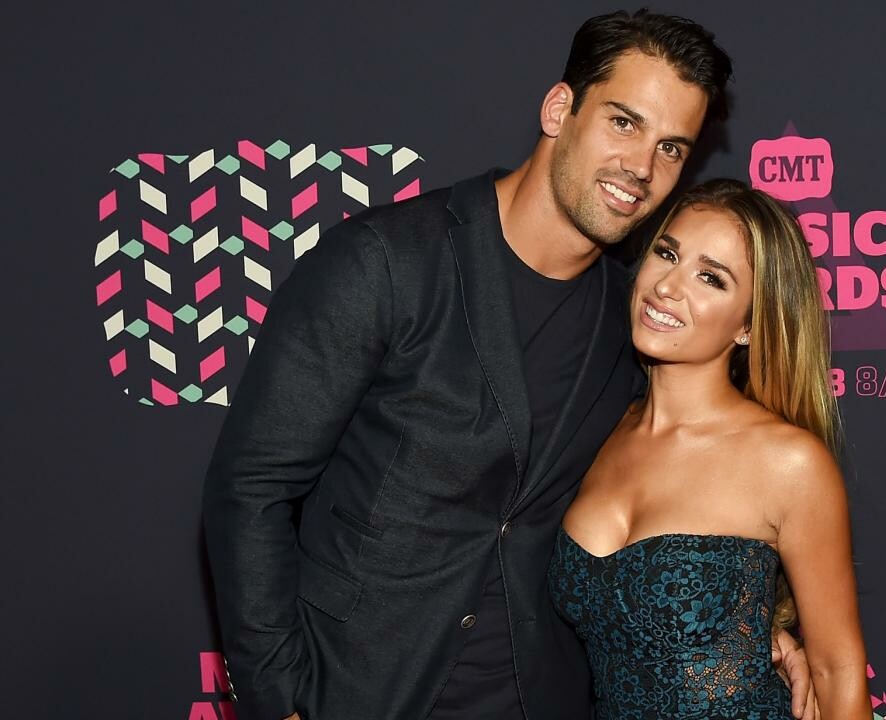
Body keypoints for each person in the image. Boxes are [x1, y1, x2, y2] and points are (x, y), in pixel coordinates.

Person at [201, 10, 817, 720]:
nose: (642, 167)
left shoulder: (635, 321)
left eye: (672, 148)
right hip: (361, 690)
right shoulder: (388, 264)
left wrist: (745, 631)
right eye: (624, 122)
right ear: (559, 109)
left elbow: (685, 487)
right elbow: (250, 489)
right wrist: (276, 700)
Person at [550, 178, 872, 719]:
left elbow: (837, 671)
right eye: (666, 253)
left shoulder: (789, 463)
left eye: (710, 278)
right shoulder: (594, 428)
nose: (667, 286)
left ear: (748, 325)